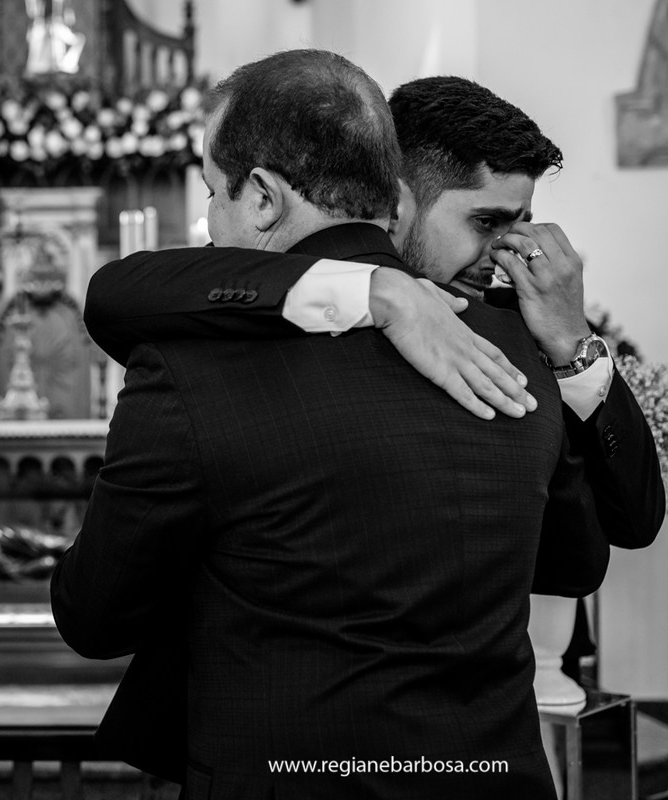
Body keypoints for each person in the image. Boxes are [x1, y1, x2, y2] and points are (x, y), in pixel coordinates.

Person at [50, 50, 610, 797]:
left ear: (260, 196)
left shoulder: (194, 367)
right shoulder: (517, 347)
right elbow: (575, 559)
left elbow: (95, 617)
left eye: (215, 194)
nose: (210, 224)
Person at [83, 75, 665, 550]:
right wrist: (374, 290)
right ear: (396, 199)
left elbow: (628, 527)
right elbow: (124, 290)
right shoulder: (277, 304)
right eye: (486, 222)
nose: (510, 253)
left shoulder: (516, 331)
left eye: (522, 223)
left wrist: (571, 347)